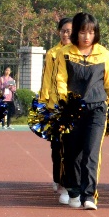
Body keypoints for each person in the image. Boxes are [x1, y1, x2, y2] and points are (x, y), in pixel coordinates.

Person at [54, 12, 109, 210]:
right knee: (72, 154)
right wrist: (64, 104)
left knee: (91, 152)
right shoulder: (65, 53)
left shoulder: (104, 54)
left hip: (97, 109)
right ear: (76, 33)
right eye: (83, 32)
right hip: (72, 111)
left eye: (91, 32)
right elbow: (60, 81)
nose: (87, 37)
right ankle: (74, 191)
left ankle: (89, 195)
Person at [39, 18, 74, 201]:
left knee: (72, 145)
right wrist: (44, 101)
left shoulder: (77, 53)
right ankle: (59, 179)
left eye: (69, 31)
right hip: (55, 105)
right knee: (57, 145)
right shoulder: (52, 53)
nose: (66, 34)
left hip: (74, 105)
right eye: (63, 31)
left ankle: (69, 182)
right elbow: (47, 78)